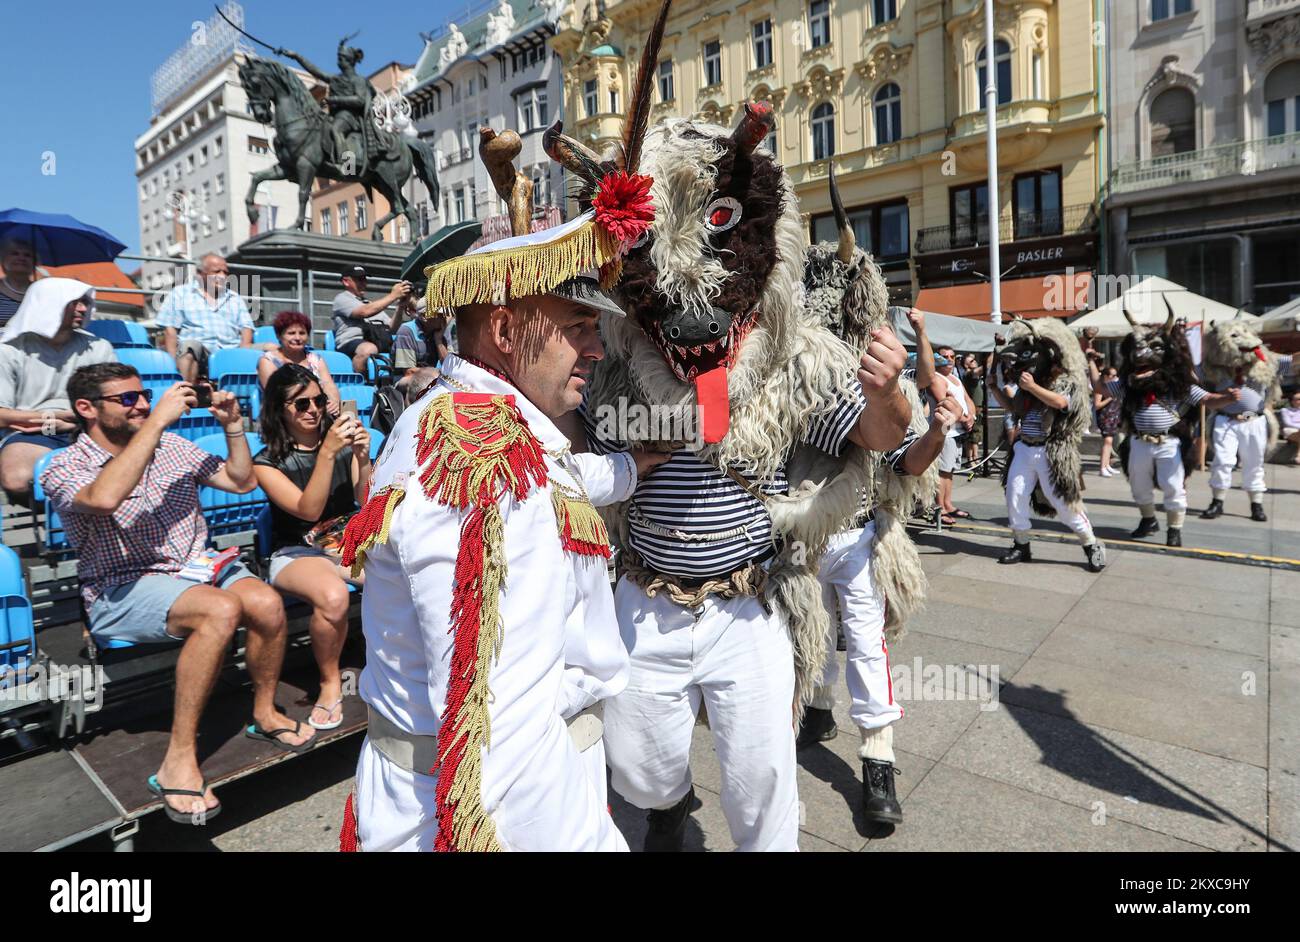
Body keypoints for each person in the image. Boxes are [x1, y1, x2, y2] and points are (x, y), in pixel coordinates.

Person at [336, 218, 663, 851]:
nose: (596, 348)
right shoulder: (486, 455)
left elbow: (567, 484)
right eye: (577, 326)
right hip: (515, 810)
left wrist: (635, 465)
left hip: (478, 792)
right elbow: (497, 718)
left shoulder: (482, 425)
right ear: (507, 332)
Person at [40, 363, 314, 825]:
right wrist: (157, 424)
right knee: (220, 610)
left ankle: (265, 713)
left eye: (143, 395)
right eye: (126, 399)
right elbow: (105, 497)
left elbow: (241, 481)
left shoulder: (172, 447)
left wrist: (231, 429)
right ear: (86, 409)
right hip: (120, 586)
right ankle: (178, 760)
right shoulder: (65, 466)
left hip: (196, 569)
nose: (142, 404)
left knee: (266, 602)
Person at [254, 364, 370, 731]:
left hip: (341, 539)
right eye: (300, 404)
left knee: (401, 574)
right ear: (279, 408)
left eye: (318, 401)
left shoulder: (340, 445)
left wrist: (363, 460)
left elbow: (365, 502)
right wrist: (327, 454)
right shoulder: (267, 462)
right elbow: (308, 509)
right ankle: (330, 681)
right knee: (334, 596)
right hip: (294, 551)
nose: (313, 410)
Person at [1089, 324, 1238, 547]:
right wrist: (1091, 361)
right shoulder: (1128, 384)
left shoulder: (1179, 385)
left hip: (1169, 443)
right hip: (1139, 442)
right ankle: (1148, 520)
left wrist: (1227, 398)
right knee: (1138, 485)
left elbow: (1207, 399)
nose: (1142, 360)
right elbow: (1099, 388)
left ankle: (1174, 529)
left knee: (1173, 485)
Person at [990, 317, 1106, 572]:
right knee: (1015, 495)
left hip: (1051, 451)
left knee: (1064, 503)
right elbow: (1014, 408)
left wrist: (1032, 387)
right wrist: (997, 390)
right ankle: (1021, 544)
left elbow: (1062, 403)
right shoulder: (1027, 383)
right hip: (1024, 447)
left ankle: (1092, 544)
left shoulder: (1065, 380)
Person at [0, 278, 116, 495]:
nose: (83, 308)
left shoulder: (99, 347)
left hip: (91, 426)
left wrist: (72, 422)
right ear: (49, 303)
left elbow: (114, 402)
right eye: (75, 302)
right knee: (17, 478)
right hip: (34, 431)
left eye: (85, 302)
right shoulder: (7, 351)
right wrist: (51, 421)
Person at [907, 309, 975, 524]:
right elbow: (945, 400)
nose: (949, 360)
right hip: (944, 431)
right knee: (942, 471)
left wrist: (971, 415)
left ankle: (948, 504)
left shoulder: (955, 378)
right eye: (944, 357)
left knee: (950, 470)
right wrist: (965, 419)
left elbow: (967, 399)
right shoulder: (936, 378)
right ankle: (940, 508)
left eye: (952, 357)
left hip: (957, 432)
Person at [155, 253, 254, 383]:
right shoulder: (180, 294)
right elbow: (170, 330)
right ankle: (184, 394)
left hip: (231, 351)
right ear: (200, 273)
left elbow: (247, 327)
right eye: (216, 271)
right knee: (190, 347)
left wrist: (243, 351)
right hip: (199, 352)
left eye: (225, 272)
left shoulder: (234, 298)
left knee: (271, 350)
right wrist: (172, 363)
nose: (222, 276)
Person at [256, 310, 341, 416]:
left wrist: (333, 402)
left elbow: (328, 385)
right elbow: (276, 395)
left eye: (302, 333)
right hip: (282, 416)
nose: (297, 338)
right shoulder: (268, 361)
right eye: (291, 333)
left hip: (316, 412)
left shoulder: (316, 359)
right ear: (279, 336)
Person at [331, 265, 411, 374]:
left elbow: (392, 328)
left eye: (365, 279)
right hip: (351, 341)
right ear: (346, 281)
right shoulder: (341, 299)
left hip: (376, 341)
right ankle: (361, 383)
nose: (364, 283)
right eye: (359, 280)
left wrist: (400, 306)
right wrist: (393, 296)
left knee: (406, 348)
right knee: (369, 349)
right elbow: (364, 312)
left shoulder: (370, 304)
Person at [0, 238, 37, 326]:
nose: (21, 258)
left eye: (27, 255)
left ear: (35, 262)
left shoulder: (41, 291)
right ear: (3, 260)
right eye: (15, 253)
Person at [1093, 363, 1122, 476]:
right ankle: (1102, 467)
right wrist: (1110, 397)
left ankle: (1107, 465)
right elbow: (1097, 404)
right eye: (1112, 375)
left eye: (1116, 375)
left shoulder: (1113, 387)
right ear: (1105, 376)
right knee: (1107, 441)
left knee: (1110, 442)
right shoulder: (1101, 388)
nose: (1114, 378)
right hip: (1105, 417)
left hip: (1113, 416)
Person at [1282, 391, 1300, 466]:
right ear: (1292, 401)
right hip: (1290, 431)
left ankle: (1298, 456)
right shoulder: (1285, 410)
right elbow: (1288, 423)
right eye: (1298, 399)